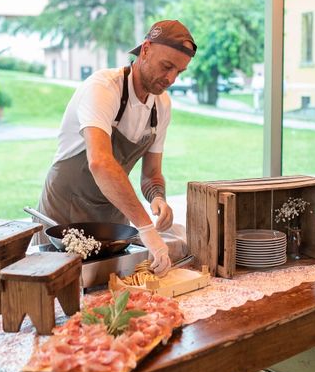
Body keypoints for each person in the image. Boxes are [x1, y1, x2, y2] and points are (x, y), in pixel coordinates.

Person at [37, 19, 197, 276]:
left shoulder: (161, 105)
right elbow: (100, 162)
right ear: (145, 49)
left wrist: (158, 197)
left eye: (179, 72)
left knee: (113, 298)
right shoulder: (103, 88)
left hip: (113, 223)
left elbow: (151, 175)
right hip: (64, 217)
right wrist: (147, 230)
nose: (171, 79)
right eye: (166, 66)